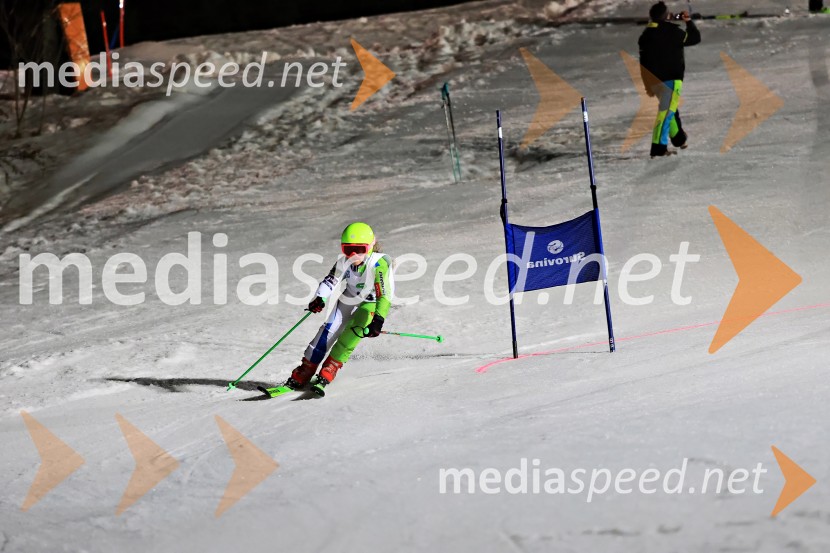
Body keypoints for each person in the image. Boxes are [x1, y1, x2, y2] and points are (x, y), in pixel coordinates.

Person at [285, 222, 394, 392]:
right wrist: (320, 297)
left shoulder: (379, 264)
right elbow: (331, 280)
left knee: (354, 332)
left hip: (371, 302)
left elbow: (384, 295)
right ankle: (304, 371)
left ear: (371, 245)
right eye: (348, 249)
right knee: (328, 331)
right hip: (350, 298)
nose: (353, 255)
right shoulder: (345, 261)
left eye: (359, 250)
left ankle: (330, 368)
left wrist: (378, 319)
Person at [638, 2, 701, 158]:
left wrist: (647, 84)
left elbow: (643, 61)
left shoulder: (645, 36)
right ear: (666, 16)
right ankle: (658, 149)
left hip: (654, 81)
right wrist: (688, 21)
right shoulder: (672, 32)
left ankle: (679, 138)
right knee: (666, 113)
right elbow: (695, 38)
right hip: (671, 79)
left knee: (670, 110)